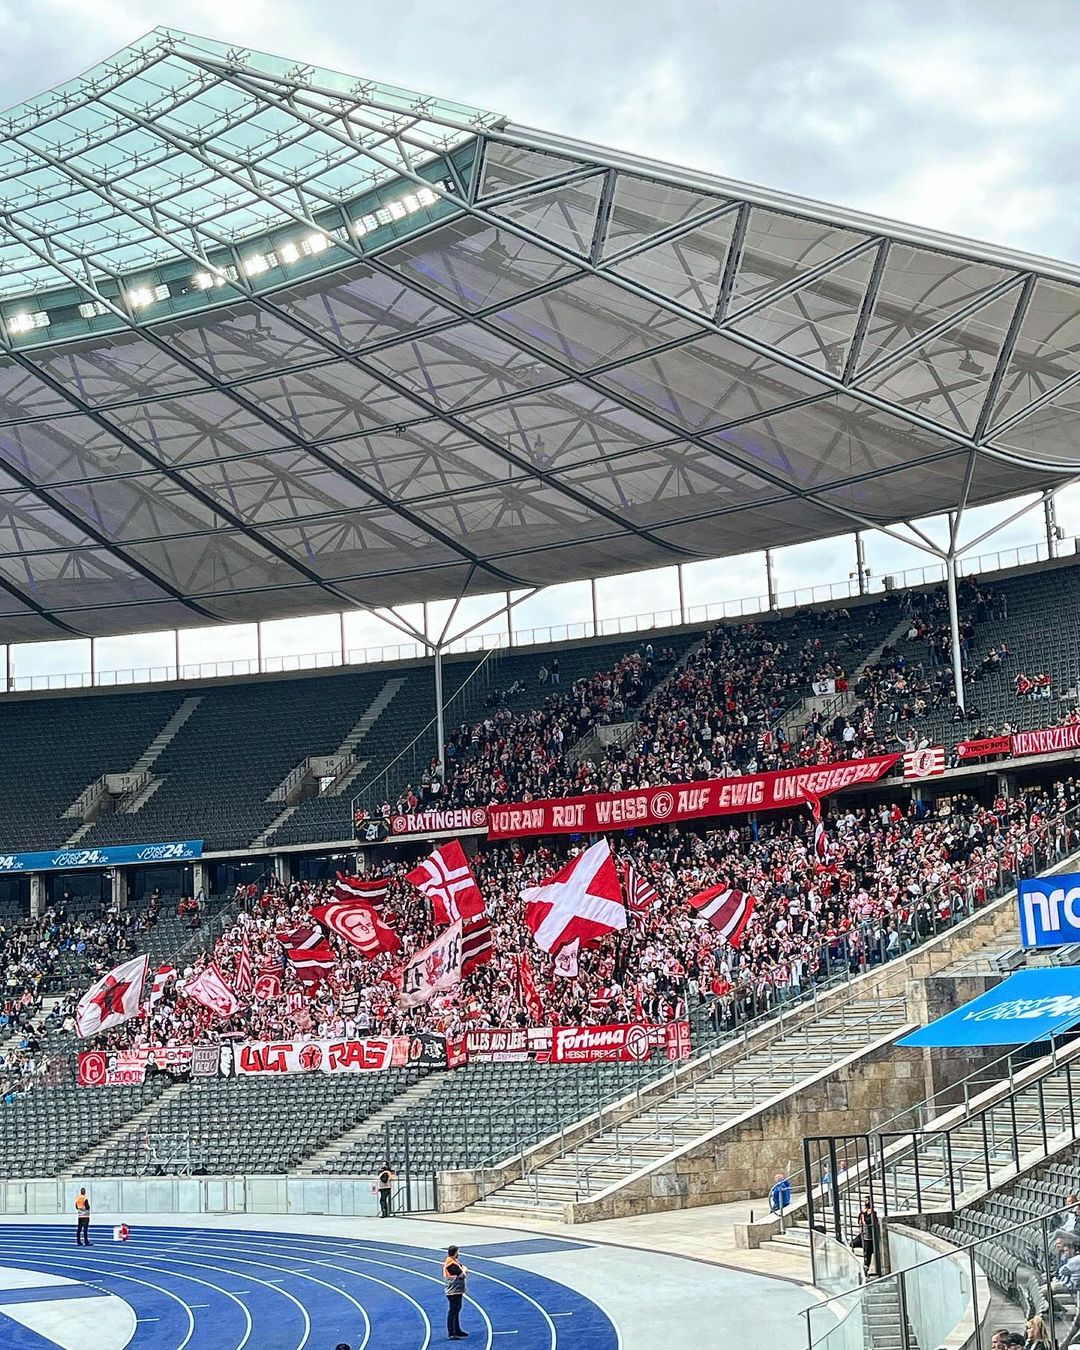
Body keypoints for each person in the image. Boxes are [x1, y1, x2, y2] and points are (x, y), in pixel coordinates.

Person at [444, 1244, 468, 1340]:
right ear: (454, 1253)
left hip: (457, 1290)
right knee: (453, 1311)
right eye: (457, 1252)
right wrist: (464, 1270)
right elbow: (462, 1274)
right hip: (453, 1291)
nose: (458, 1254)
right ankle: (451, 1333)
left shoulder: (454, 1261)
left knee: (457, 1310)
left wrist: (463, 1269)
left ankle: (457, 1330)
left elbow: (462, 1268)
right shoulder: (451, 1264)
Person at [855, 1198, 880, 1277]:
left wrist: (864, 1215)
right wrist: (863, 1215)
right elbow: (860, 1223)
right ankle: (865, 1268)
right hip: (864, 1235)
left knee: (868, 1254)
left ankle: (866, 1268)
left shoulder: (872, 1214)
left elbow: (867, 1222)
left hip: (869, 1238)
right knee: (853, 1244)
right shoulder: (863, 1213)